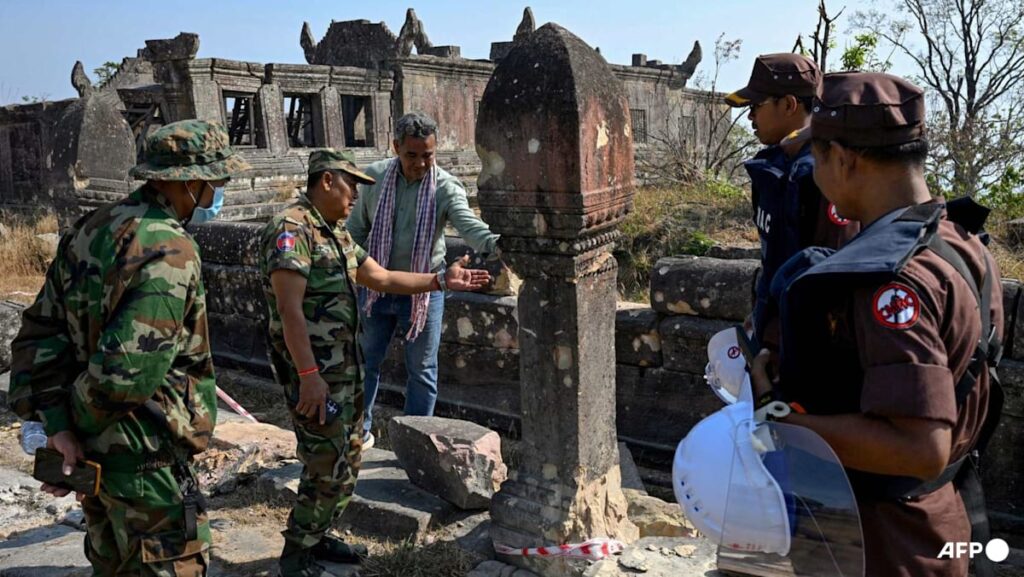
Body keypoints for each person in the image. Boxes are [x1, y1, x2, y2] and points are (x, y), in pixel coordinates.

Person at [750, 72, 1003, 577]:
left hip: (886, 542)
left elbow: (919, 447)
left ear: (843, 159)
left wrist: (780, 420)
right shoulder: (960, 241)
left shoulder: (893, 280)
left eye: (817, 159)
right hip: (938, 521)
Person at [7, 119, 249, 575]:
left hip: (98, 457)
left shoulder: (92, 229)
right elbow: (127, 374)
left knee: (112, 563)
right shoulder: (168, 249)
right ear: (188, 181)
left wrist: (60, 429)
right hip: (144, 458)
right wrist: (71, 434)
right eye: (215, 180)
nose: (218, 191)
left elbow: (40, 333)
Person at [260, 148, 489, 577]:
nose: (356, 199)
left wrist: (441, 280)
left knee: (346, 458)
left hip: (345, 371)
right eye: (352, 188)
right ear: (327, 180)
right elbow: (289, 310)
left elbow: (380, 277)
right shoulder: (291, 230)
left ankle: (320, 533)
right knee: (323, 460)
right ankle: (296, 556)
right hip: (315, 375)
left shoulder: (336, 232)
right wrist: (309, 377)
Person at [346, 112, 500, 449]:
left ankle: (413, 440)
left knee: (422, 370)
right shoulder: (373, 179)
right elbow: (355, 231)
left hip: (426, 289)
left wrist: (495, 243)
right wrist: (353, 265)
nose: (420, 163)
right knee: (364, 362)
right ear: (396, 148)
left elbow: (465, 223)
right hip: (376, 285)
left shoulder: (444, 185)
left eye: (427, 155)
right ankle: (359, 430)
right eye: (411, 155)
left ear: (436, 151)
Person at [724, 53, 859, 352]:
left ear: (788, 105)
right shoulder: (772, 167)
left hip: (808, 347)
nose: (750, 117)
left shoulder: (823, 176)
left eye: (756, 106)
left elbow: (831, 275)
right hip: (773, 332)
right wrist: (761, 318)